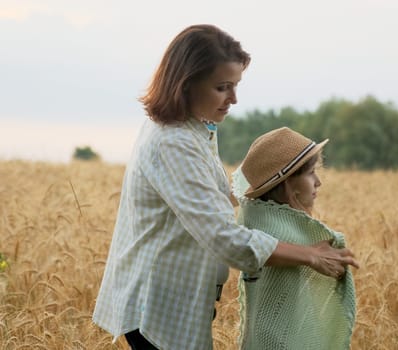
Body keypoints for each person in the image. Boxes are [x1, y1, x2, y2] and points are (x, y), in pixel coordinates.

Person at [92, 24, 359, 350]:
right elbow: (223, 238)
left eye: (235, 86)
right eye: (222, 87)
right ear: (186, 84)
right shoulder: (173, 143)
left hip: (175, 301)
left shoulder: (196, 126)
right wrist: (309, 255)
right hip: (159, 308)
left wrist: (276, 176)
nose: (233, 98)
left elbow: (213, 193)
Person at [232, 127, 357, 350]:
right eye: (310, 173)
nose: (318, 182)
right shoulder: (287, 237)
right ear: (288, 183)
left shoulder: (257, 222)